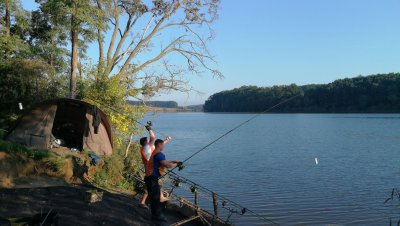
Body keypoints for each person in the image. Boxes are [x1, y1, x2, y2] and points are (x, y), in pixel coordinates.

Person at [144, 139, 181, 222]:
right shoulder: (159, 154)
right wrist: (176, 164)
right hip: (151, 179)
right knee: (155, 198)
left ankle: (155, 215)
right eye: (162, 145)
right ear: (159, 145)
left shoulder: (155, 152)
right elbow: (166, 165)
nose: (163, 146)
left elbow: (165, 161)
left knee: (155, 197)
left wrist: (174, 161)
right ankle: (156, 216)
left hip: (150, 178)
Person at [138, 125, 170, 209]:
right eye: (147, 140)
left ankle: (145, 201)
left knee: (152, 185)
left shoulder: (146, 148)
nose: (149, 140)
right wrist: (149, 129)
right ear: (145, 142)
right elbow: (153, 137)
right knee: (152, 185)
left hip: (150, 169)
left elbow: (157, 147)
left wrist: (165, 141)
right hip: (152, 170)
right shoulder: (146, 147)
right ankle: (159, 198)